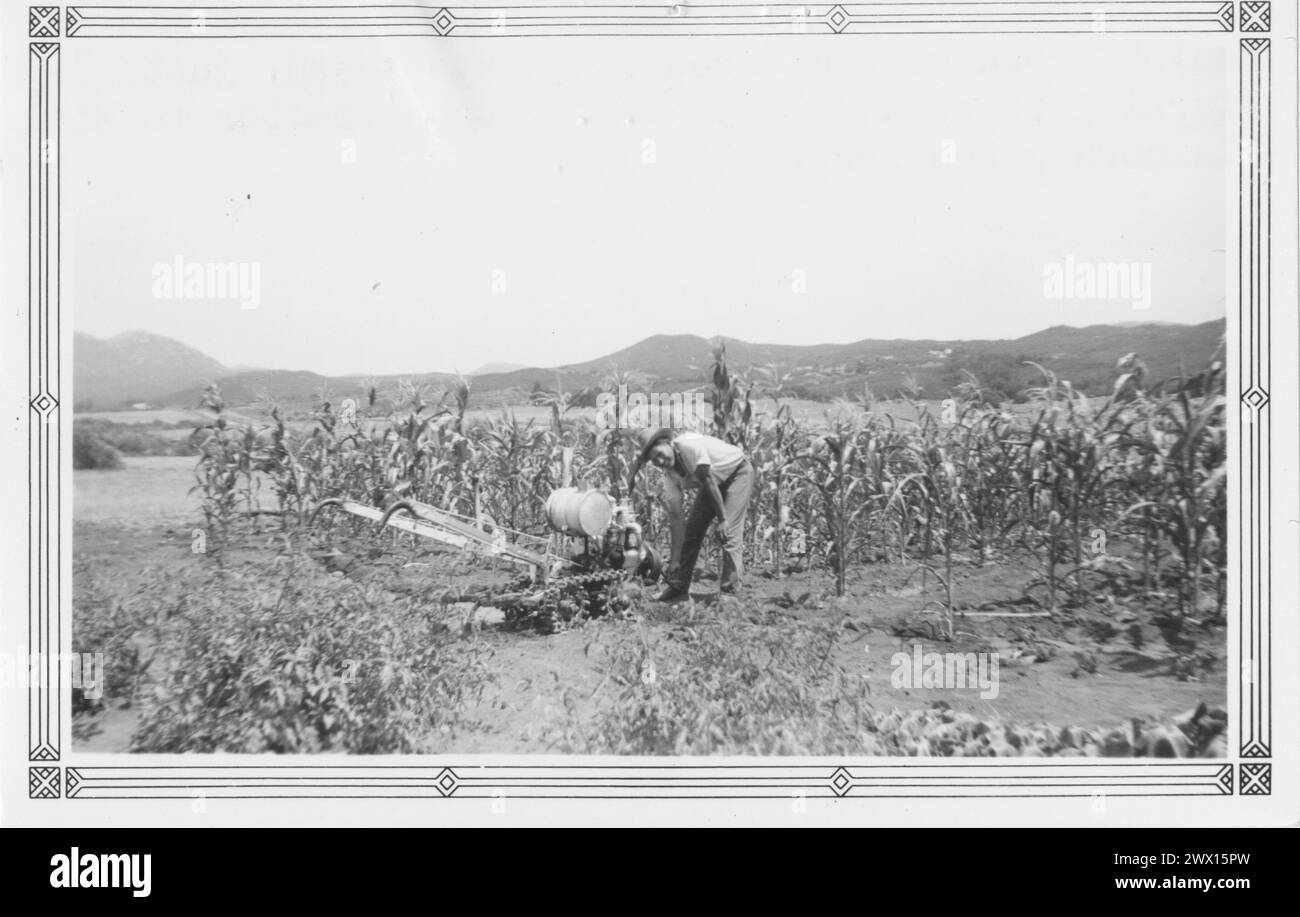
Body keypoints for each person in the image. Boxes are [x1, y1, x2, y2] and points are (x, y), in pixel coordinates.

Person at [629, 428, 754, 601]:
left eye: (659, 453)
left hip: (737, 472)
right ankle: (678, 588)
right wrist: (674, 560)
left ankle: (730, 593)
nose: (660, 460)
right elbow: (677, 519)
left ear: (667, 443)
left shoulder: (688, 445)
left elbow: (708, 478)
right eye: (654, 460)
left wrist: (723, 520)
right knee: (692, 532)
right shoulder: (669, 477)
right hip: (712, 482)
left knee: (729, 533)